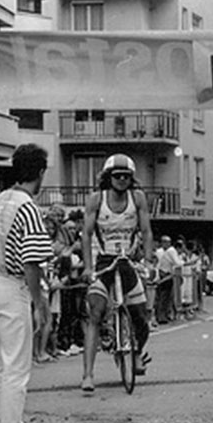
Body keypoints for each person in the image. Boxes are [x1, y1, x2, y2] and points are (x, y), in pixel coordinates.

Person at [0, 144, 53, 423]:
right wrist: (39, 301)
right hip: (10, 286)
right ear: (40, 173)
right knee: (16, 366)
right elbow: (32, 260)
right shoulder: (27, 207)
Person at [80, 153, 154, 393]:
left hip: (129, 263)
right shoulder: (96, 200)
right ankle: (88, 375)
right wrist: (89, 267)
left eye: (126, 176)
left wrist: (149, 261)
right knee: (96, 313)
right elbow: (87, 234)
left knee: (141, 318)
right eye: (117, 176)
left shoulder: (138, 198)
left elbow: (146, 231)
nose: (121, 180)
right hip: (105, 264)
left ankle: (136, 352)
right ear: (108, 178)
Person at [154, 235, 181, 324]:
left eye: (167, 242)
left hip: (167, 274)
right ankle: (161, 316)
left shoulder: (170, 251)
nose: (166, 244)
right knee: (162, 297)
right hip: (162, 274)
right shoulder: (160, 252)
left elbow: (177, 263)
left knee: (166, 297)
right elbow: (178, 263)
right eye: (164, 242)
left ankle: (164, 315)